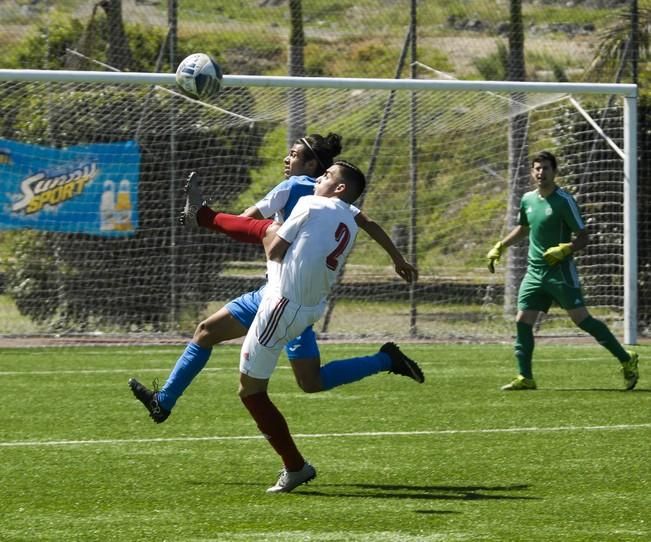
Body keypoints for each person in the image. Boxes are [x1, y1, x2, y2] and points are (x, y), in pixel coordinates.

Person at [129, 133, 421, 429]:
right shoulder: (338, 203)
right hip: (295, 297)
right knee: (304, 378)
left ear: (312, 165)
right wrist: (397, 258)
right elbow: (368, 222)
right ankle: (162, 401)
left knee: (237, 360)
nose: (287, 159)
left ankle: (167, 402)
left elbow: (247, 220)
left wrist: (224, 223)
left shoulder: (294, 186)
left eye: (294, 154)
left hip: (282, 296)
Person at [486, 150, 639, 391]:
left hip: (560, 272)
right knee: (523, 320)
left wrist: (565, 249)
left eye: (546, 168)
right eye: (537, 168)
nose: (541, 172)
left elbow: (584, 236)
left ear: (554, 172)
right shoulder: (527, 199)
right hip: (534, 273)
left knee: (582, 320)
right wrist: (500, 246)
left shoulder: (564, 201)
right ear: (531, 171)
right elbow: (524, 228)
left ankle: (626, 358)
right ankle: (525, 377)